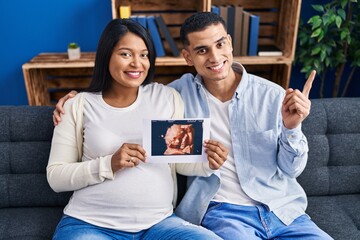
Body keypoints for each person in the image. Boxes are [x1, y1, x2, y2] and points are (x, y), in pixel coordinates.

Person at [53, 12, 333, 239]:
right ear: (188, 57)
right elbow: (58, 175)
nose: (214, 57)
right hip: (217, 212)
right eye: (202, 50)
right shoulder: (175, 94)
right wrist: (74, 103)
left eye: (220, 44)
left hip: (275, 208)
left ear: (230, 43)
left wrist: (291, 129)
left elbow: (291, 169)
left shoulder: (269, 95)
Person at [47, 18, 227, 240]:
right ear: (106, 56)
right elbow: (56, 177)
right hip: (91, 224)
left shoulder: (167, 98)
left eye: (143, 55)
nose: (137, 63)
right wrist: (109, 164)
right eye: (125, 54)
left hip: (160, 225)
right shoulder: (79, 105)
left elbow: (179, 162)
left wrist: (207, 163)